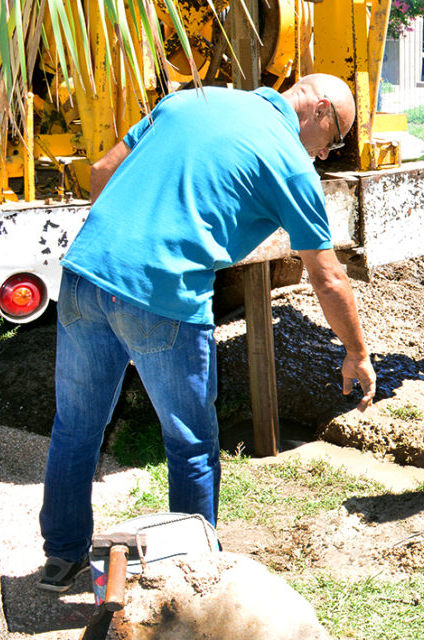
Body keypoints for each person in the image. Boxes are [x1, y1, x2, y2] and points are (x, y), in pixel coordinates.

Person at [36, 73, 377, 592]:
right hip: (164, 295)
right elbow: (326, 274)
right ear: (321, 111)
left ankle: (61, 560)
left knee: (76, 428)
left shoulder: (191, 100)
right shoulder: (288, 159)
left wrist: (120, 243)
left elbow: (103, 170)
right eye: (330, 144)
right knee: (192, 444)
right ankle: (192, 581)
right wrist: (355, 350)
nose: (323, 156)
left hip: (85, 276)